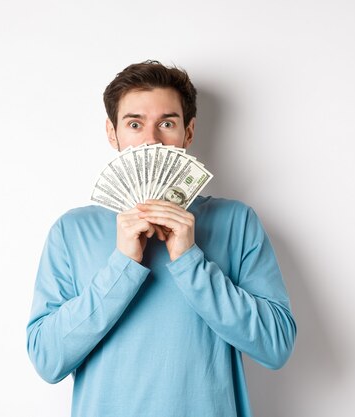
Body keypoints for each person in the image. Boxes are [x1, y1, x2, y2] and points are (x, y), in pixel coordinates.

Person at [26, 60, 296, 417]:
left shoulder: (236, 221)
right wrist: (122, 265)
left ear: (188, 132)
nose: (151, 140)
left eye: (166, 123)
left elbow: (275, 346)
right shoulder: (72, 230)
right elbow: (47, 359)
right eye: (134, 124)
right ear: (113, 133)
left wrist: (190, 261)